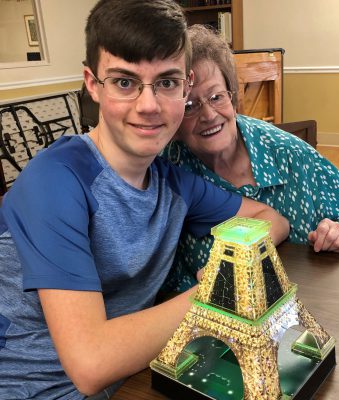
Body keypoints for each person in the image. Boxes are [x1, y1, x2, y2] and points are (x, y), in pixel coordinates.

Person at [0, 1, 290, 399]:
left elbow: (270, 218)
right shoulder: (56, 180)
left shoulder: (173, 184)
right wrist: (218, 291)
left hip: (140, 375)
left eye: (167, 82)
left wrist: (230, 259)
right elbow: (90, 363)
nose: (149, 105)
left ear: (186, 86)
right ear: (91, 83)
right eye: (124, 82)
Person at [162, 24, 339, 291]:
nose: (208, 115)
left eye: (216, 97)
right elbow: (166, 275)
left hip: (309, 303)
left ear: (233, 96)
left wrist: (338, 235)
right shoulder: (169, 166)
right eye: (190, 106)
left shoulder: (288, 153)